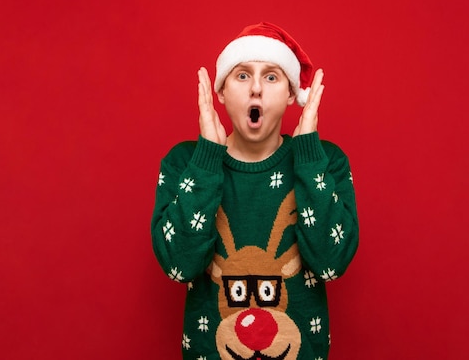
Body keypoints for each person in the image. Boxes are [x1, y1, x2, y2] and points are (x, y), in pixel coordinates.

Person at [151, 22, 359, 360]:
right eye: (243, 75)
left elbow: (330, 264)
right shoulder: (185, 163)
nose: (257, 89)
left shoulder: (327, 162)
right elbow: (179, 265)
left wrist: (308, 153)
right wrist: (206, 159)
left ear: (292, 93)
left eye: (272, 77)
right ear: (220, 92)